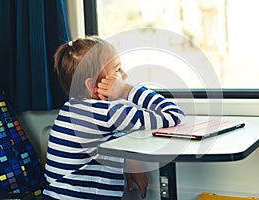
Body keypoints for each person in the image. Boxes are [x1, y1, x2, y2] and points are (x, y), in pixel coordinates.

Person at [43, 36, 185, 199]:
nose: (124, 75)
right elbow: (173, 114)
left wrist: (129, 160)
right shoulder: (108, 112)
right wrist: (127, 90)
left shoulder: (72, 109)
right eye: (117, 70)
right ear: (93, 86)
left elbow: (104, 137)